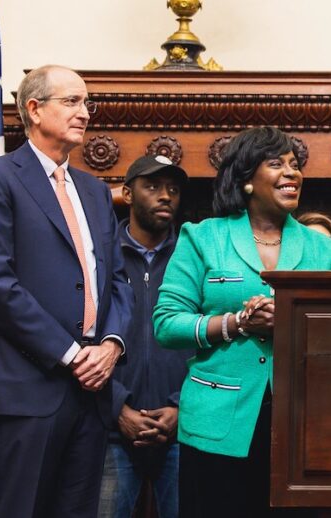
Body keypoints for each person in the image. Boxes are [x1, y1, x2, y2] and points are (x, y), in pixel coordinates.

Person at [153, 126, 331, 518]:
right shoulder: (203, 237)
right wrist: (237, 323)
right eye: (276, 164)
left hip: (302, 428)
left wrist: (292, 322)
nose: (291, 173)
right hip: (215, 426)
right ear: (245, 181)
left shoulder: (325, 250)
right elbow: (167, 324)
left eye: (295, 165)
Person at [0, 65, 132, 518]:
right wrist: (73, 353)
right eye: (72, 102)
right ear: (34, 110)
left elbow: (117, 280)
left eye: (86, 103)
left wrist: (112, 345)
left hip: (93, 395)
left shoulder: (95, 192)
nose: (85, 113)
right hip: (27, 391)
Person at [99, 155, 192, 518]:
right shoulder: (102, 255)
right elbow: (85, 337)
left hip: (183, 428)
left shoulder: (193, 254)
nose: (165, 196)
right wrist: (117, 407)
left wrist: (181, 406)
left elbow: (212, 338)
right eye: (152, 187)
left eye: (172, 189)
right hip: (113, 428)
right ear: (127, 193)